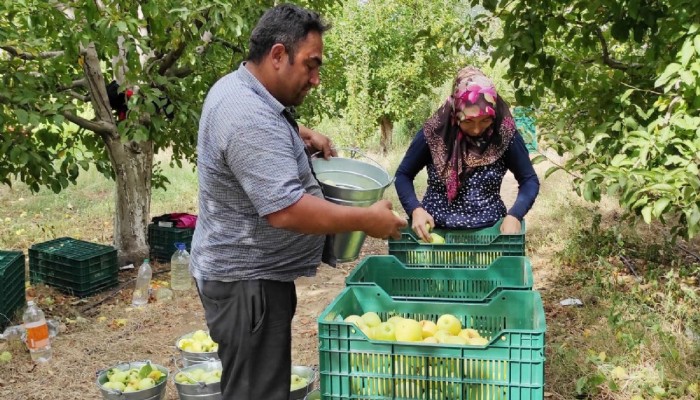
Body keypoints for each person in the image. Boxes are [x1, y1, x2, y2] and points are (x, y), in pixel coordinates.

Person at [190, 4, 406, 400]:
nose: (316, 79)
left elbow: (265, 123)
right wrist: (364, 220)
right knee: (258, 392)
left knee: (259, 384)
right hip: (247, 283)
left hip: (249, 278)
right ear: (277, 55)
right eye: (310, 65)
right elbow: (286, 209)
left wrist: (300, 132)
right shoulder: (248, 118)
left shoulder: (239, 88)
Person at [395, 66, 539, 242]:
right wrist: (415, 210)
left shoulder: (504, 135)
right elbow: (403, 175)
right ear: (456, 113)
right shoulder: (434, 132)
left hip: (489, 234)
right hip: (435, 233)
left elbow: (529, 180)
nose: (477, 129)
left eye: (486, 120)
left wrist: (515, 215)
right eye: (468, 121)